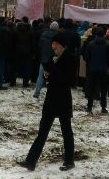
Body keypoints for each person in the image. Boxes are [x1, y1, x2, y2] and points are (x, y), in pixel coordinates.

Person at [18, 33, 75, 172]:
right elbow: (48, 71)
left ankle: (69, 161)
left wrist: (52, 74)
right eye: (52, 43)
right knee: (43, 130)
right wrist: (46, 74)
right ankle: (31, 160)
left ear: (62, 45)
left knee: (66, 131)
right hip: (51, 98)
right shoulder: (53, 56)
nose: (53, 46)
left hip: (63, 99)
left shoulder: (70, 57)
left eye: (55, 44)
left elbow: (70, 80)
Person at [84, 27, 109, 114]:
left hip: (92, 69)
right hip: (103, 70)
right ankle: (103, 107)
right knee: (103, 90)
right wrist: (107, 66)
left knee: (91, 88)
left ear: (96, 35)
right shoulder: (107, 45)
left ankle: (89, 107)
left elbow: (86, 57)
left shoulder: (91, 44)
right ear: (104, 35)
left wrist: (89, 65)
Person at [33, 21, 57, 99]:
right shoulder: (58, 36)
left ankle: (36, 93)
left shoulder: (43, 35)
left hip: (44, 58)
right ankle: (52, 95)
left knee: (40, 76)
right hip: (54, 59)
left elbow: (39, 46)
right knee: (53, 78)